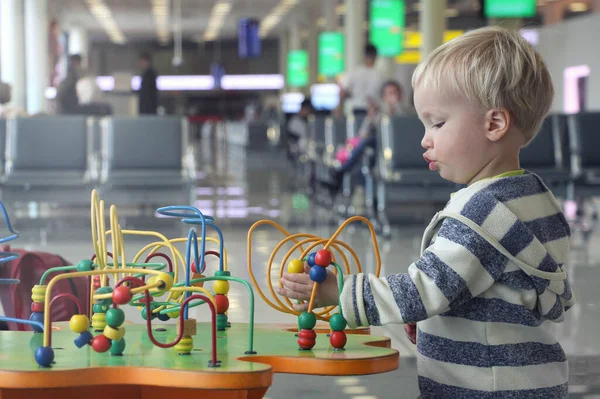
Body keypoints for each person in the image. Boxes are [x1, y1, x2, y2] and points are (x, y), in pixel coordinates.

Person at [279, 27, 574, 397]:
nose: (425, 139)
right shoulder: (537, 197)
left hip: (484, 388)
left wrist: (341, 293)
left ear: (495, 124)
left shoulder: (479, 212)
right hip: (532, 377)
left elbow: (425, 287)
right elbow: (512, 292)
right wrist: (440, 321)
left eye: (438, 123)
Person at [338, 44, 381, 118]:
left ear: (364, 56)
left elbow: (342, 90)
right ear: (376, 56)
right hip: (375, 110)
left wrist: (339, 109)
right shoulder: (380, 75)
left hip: (357, 110)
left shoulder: (354, 72)